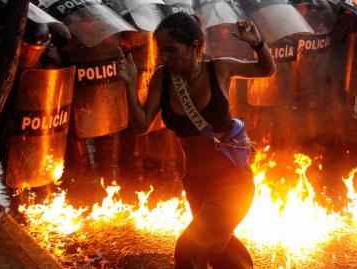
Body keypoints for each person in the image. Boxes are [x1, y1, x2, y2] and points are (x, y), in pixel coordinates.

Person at [118, 12, 275, 269]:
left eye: (172, 50)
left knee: (189, 249)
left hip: (232, 182)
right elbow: (141, 125)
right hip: (196, 184)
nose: (165, 57)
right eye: (161, 50)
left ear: (194, 46)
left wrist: (257, 43)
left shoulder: (219, 69)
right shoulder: (163, 77)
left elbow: (266, 70)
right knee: (221, 251)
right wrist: (129, 84)